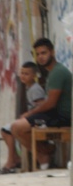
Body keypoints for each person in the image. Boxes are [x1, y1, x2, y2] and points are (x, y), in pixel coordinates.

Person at [7, 38, 73, 170]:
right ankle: (45, 151)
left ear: (52, 52)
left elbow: (51, 103)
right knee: (16, 127)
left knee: (17, 127)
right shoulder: (52, 72)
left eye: (44, 53)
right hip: (55, 114)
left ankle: (43, 154)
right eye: (38, 54)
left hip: (62, 116)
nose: (41, 57)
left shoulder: (58, 72)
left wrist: (30, 113)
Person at [0, 61, 46, 173]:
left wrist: (28, 115)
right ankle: (14, 158)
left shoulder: (35, 89)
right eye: (22, 73)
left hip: (38, 120)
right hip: (30, 119)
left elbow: (41, 106)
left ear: (34, 75)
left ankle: (12, 160)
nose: (23, 76)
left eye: (27, 74)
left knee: (8, 130)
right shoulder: (28, 88)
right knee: (5, 130)